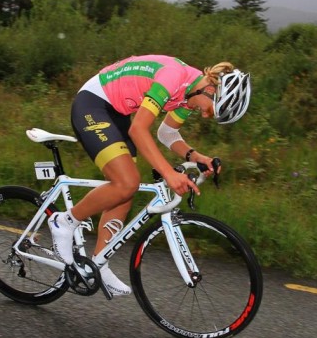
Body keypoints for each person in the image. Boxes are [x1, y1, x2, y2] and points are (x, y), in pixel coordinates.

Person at [48, 54, 251, 296]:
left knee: (124, 194)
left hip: (117, 114)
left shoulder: (188, 96)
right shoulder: (174, 77)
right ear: (209, 88)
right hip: (93, 104)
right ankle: (64, 222)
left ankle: (99, 263)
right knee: (127, 182)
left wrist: (196, 157)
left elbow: (167, 134)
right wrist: (168, 174)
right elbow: (139, 129)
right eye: (211, 110)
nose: (206, 116)